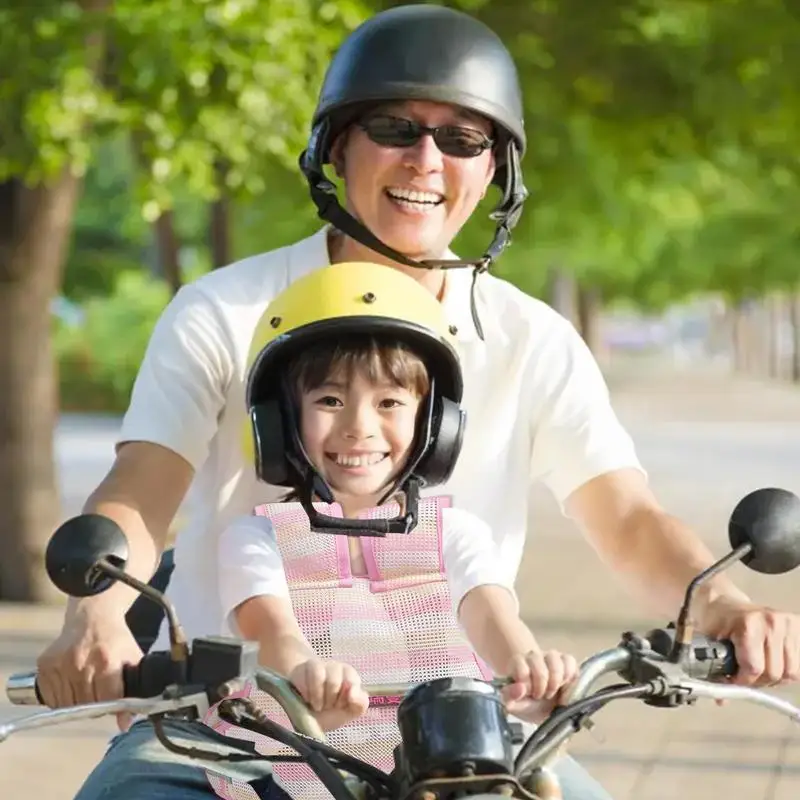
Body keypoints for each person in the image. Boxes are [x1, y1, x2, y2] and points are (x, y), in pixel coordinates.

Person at [35, 4, 799, 800]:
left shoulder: (532, 340)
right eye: (395, 128)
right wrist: (98, 608)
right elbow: (139, 492)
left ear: (496, 170)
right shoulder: (224, 311)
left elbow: (629, 519)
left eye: (464, 138)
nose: (427, 159)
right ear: (336, 147)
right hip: (228, 724)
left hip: (460, 726)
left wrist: (724, 607)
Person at [202, 261, 581, 800]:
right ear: (281, 420)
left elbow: (492, 612)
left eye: (390, 403)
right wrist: (305, 673)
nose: (359, 425)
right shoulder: (255, 540)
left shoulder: (455, 531)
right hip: (304, 764)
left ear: (435, 425)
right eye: (329, 400)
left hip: (454, 767)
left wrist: (527, 665)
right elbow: (270, 630)